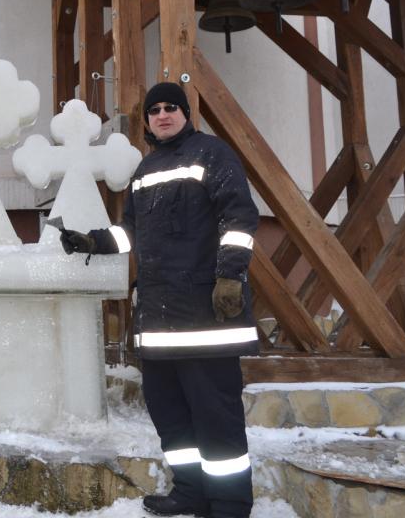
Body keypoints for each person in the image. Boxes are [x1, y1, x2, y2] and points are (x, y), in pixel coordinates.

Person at [59, 82, 259, 518]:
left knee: (217, 421)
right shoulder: (146, 171)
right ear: (147, 121)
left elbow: (240, 217)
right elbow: (128, 232)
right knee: (172, 419)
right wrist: (90, 241)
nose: (163, 115)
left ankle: (228, 506)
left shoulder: (212, 154)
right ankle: (190, 492)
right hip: (158, 324)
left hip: (205, 320)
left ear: (186, 113)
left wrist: (229, 276)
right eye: (154, 110)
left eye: (171, 107)